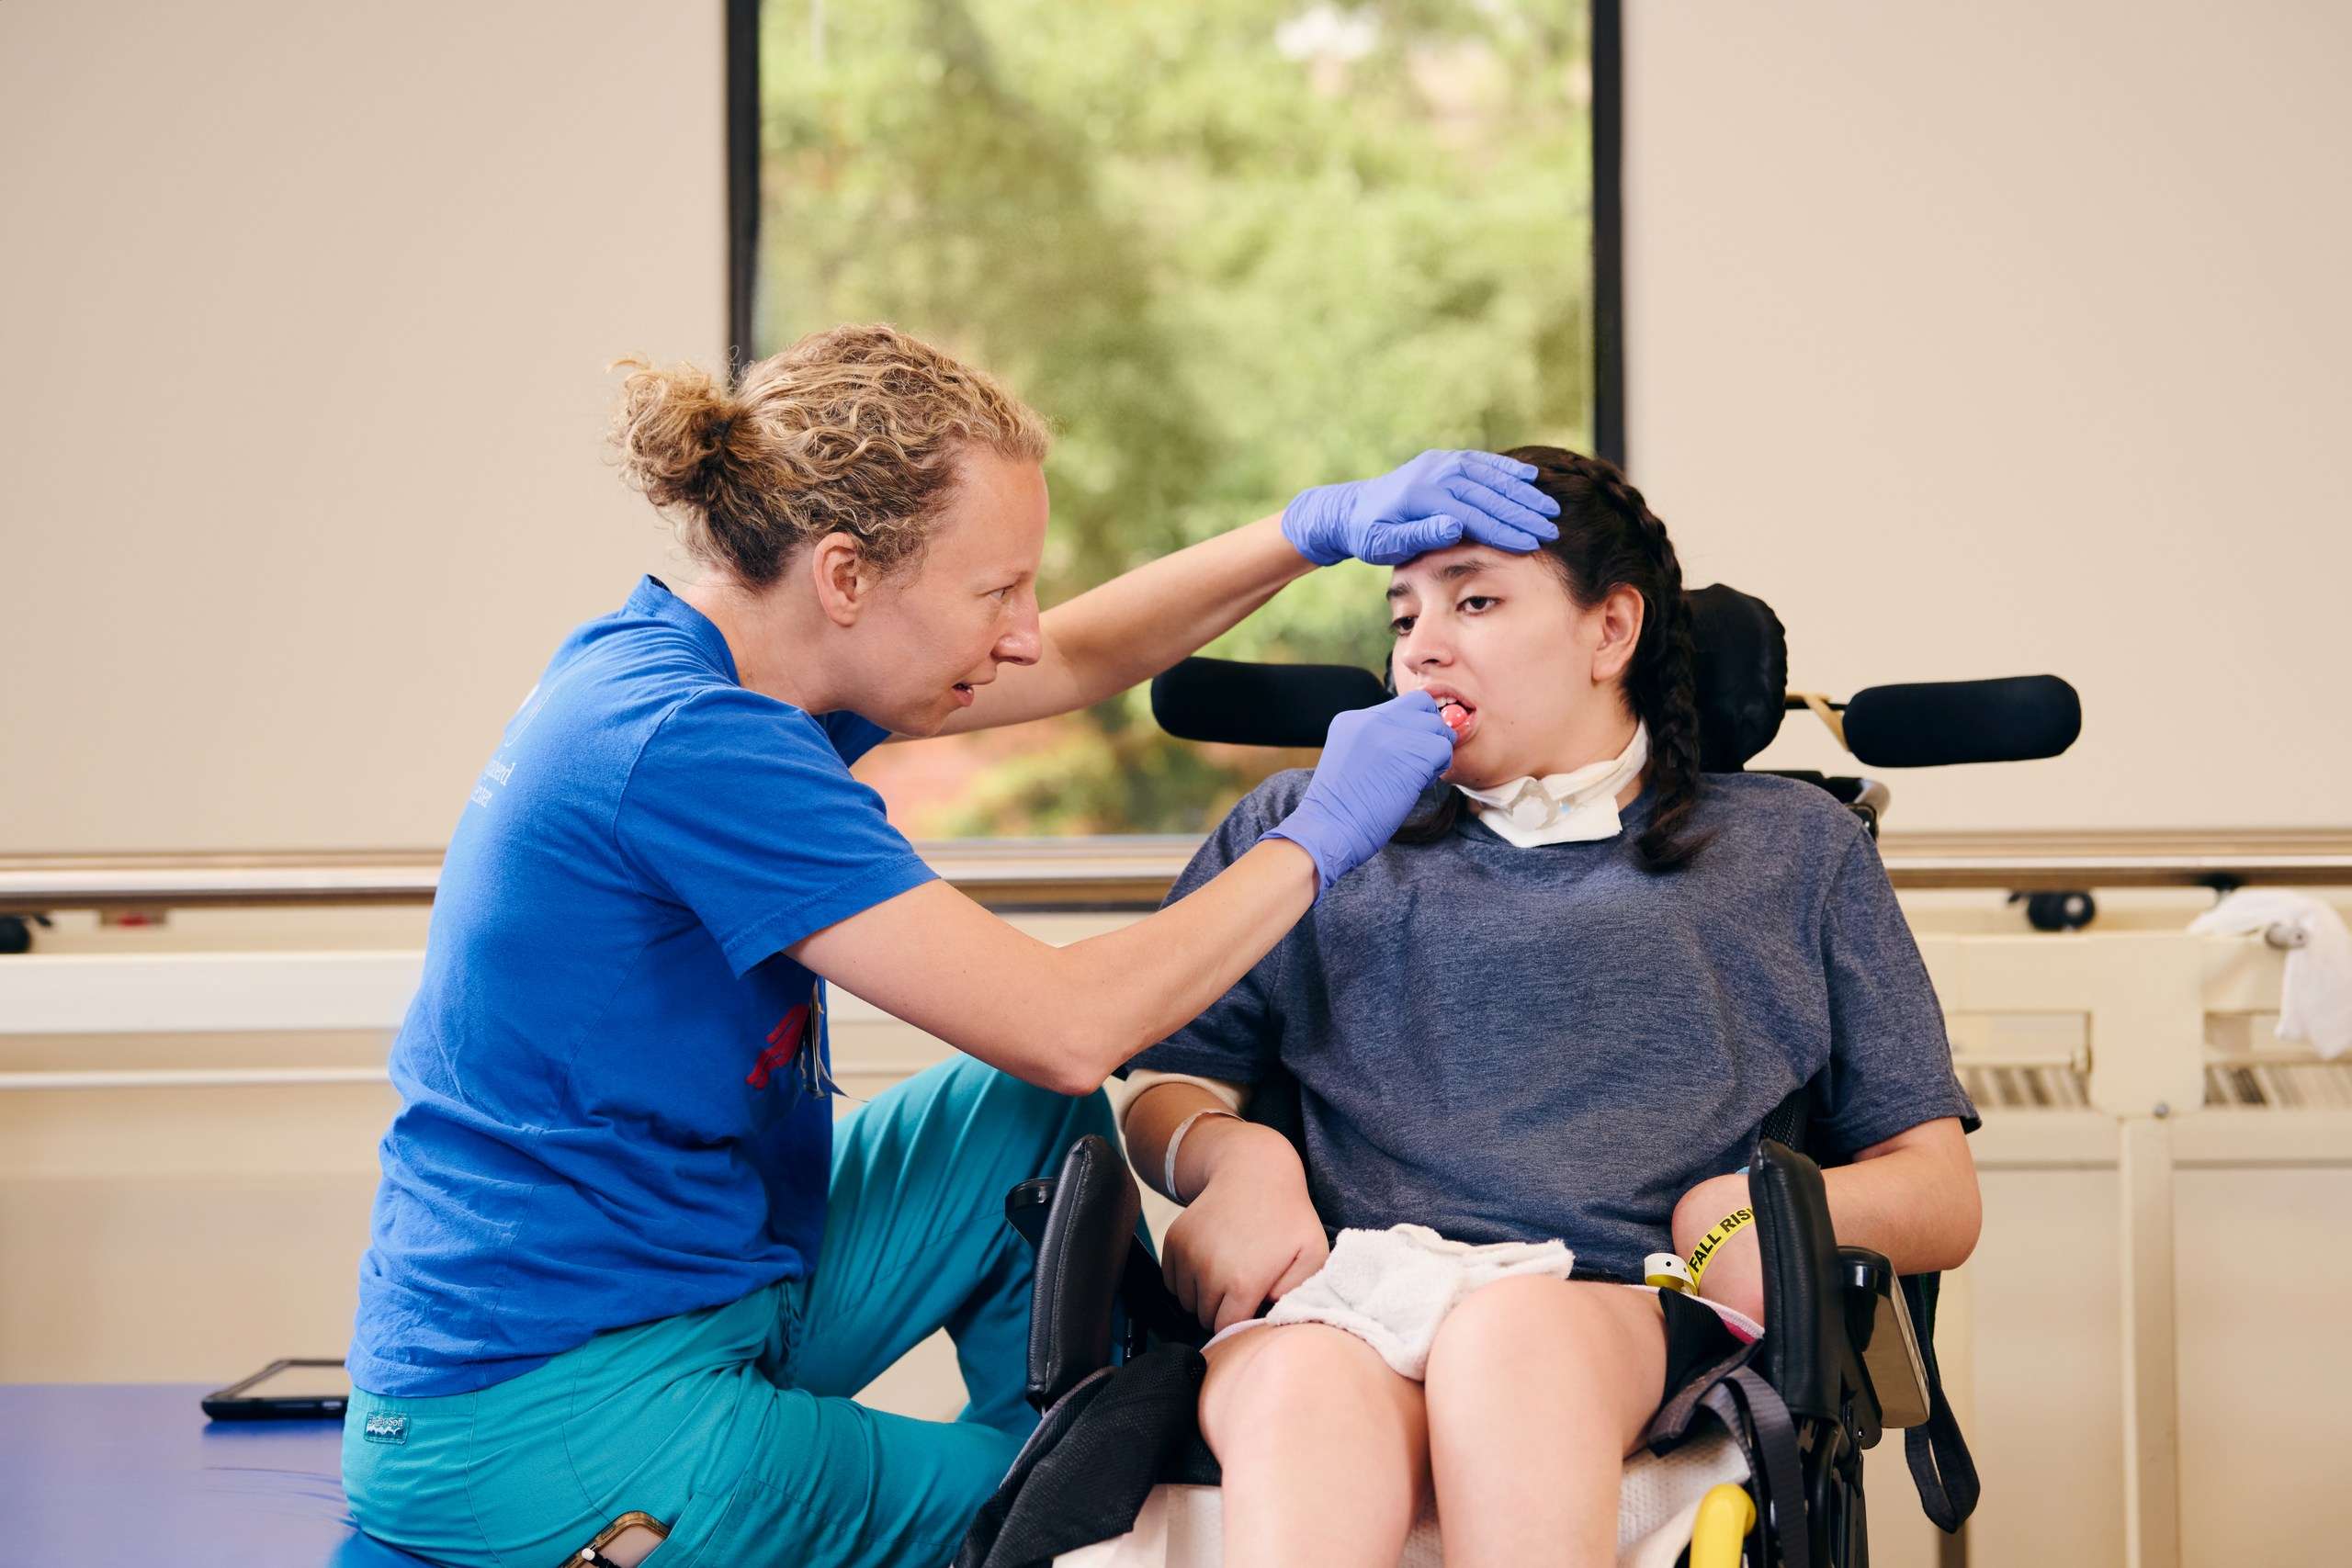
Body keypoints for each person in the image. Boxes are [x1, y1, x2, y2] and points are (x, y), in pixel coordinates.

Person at [340, 322, 1566, 1568]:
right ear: (845, 577)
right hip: (547, 1412)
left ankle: (1082, 1434)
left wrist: (1313, 527)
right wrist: (1319, 834)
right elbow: (1069, 1021)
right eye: (998, 592)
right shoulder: (688, 743)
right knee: (1115, 1512)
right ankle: (1074, 1485)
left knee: (1018, 1116)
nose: (1026, 631)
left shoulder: (729, 666)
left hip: (709, 1272)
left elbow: (1087, 654)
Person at [1119, 446, 1983, 1568]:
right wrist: (1232, 1162)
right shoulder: (1306, 825)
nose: (1423, 645)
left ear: (1609, 631)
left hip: (1607, 1302)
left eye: (1475, 599)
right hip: (1342, 1292)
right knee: (1298, 1384)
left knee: (1505, 1343)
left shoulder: (1790, 849)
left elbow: (1938, 1190)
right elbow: (1164, 1082)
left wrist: (1734, 1218)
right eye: (1402, 614)